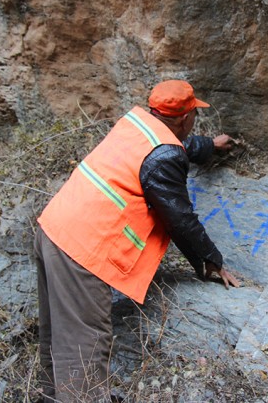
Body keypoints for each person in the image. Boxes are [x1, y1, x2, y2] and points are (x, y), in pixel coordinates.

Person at [33, 80, 240, 402]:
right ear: (186, 118)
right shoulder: (165, 155)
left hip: (54, 229)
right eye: (194, 115)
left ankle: (49, 396)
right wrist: (211, 260)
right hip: (83, 251)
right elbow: (179, 217)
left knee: (58, 335)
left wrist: (209, 147)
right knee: (84, 342)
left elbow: (167, 151)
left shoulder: (136, 125)